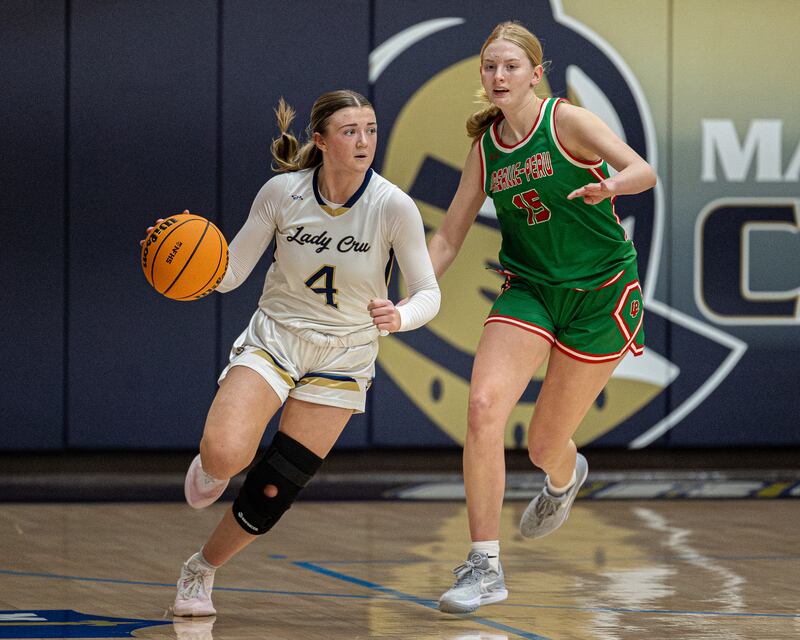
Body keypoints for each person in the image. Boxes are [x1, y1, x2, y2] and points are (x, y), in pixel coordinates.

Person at [144, 89, 440, 616]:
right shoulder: (282, 193)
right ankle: (212, 467)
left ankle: (201, 570)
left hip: (345, 355)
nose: (364, 141)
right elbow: (232, 272)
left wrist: (402, 316)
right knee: (227, 453)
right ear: (321, 141)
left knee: (276, 487)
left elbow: (428, 294)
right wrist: (187, 256)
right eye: (350, 131)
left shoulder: (393, 205)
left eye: (371, 129)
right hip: (276, 336)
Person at [427, 22, 657, 614]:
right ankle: (484, 566)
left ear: (535, 71)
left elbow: (642, 172)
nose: (498, 76)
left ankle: (564, 475)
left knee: (543, 444)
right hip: (529, 290)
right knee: (482, 409)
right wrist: (410, 293)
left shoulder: (568, 122)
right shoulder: (487, 148)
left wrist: (611, 186)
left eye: (509, 66)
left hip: (599, 294)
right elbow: (451, 234)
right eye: (489, 67)